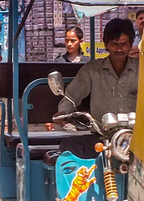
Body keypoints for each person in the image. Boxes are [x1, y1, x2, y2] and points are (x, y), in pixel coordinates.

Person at [54, 18, 138, 158]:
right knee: (68, 146)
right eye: (114, 44)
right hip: (101, 138)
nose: (119, 49)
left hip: (135, 139)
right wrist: (63, 112)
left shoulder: (142, 69)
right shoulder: (92, 70)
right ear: (106, 45)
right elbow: (72, 95)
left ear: (130, 45)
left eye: (124, 44)